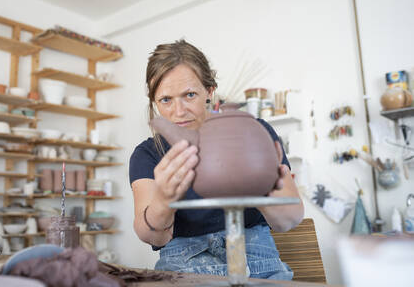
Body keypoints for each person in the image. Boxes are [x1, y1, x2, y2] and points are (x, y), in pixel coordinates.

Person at [129, 40, 304, 280]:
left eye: (189, 95)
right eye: (165, 100)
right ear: (154, 102)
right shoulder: (148, 154)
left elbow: (289, 220)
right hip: (183, 267)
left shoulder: (253, 134)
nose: (178, 112)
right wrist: (163, 201)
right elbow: (153, 236)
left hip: (258, 263)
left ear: (209, 91)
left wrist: (257, 185)